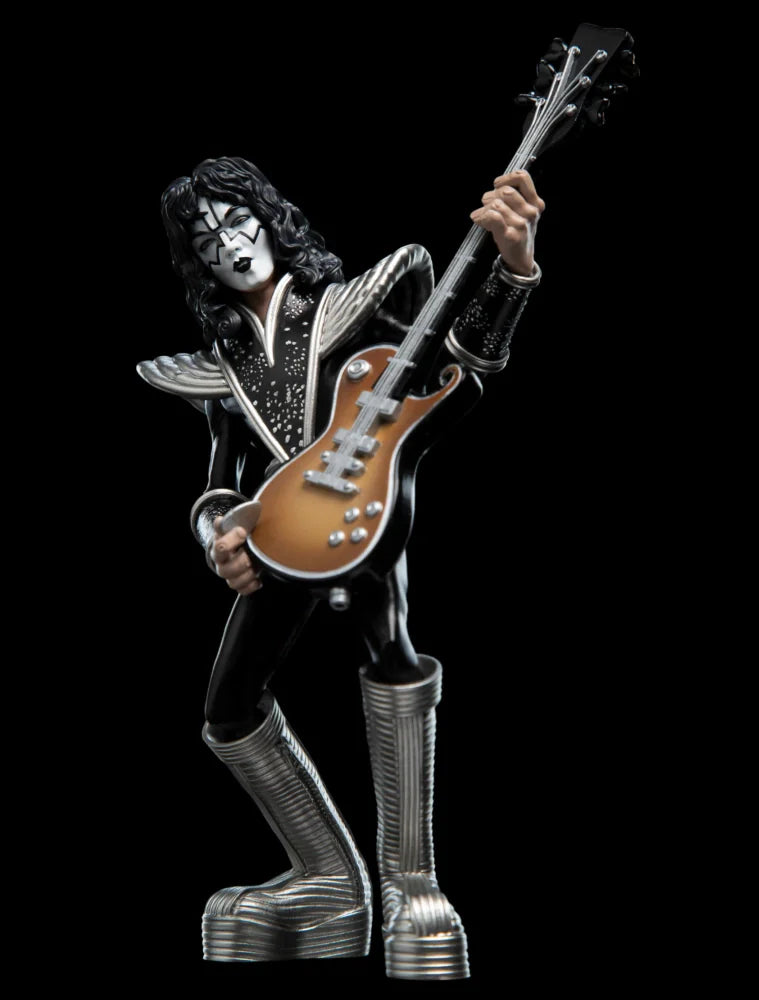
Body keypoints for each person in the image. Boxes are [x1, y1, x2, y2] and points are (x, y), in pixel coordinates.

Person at [138, 155, 543, 979]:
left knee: (389, 656)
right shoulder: (224, 365)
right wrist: (219, 532)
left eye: (238, 222)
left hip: (364, 517)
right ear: (198, 263)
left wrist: (513, 272)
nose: (229, 245)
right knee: (227, 707)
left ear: (270, 221)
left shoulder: (347, 312)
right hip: (283, 537)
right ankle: (329, 880)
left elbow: (454, 371)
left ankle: (412, 882)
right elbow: (221, 479)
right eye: (208, 241)